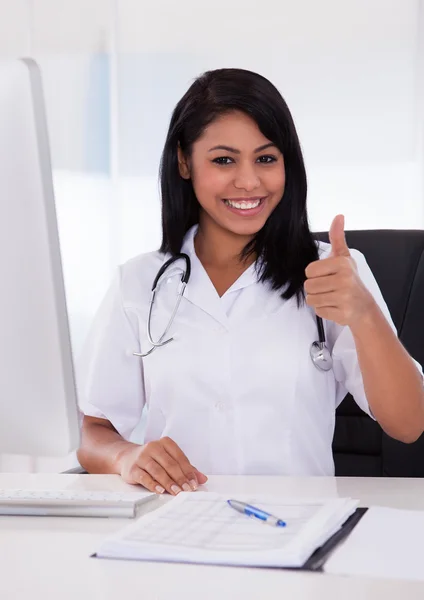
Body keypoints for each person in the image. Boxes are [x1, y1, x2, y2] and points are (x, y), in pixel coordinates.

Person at [77, 68, 424, 495]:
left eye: (266, 158)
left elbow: (409, 424)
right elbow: (95, 431)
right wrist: (124, 456)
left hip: (297, 528)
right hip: (175, 530)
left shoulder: (334, 273)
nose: (248, 181)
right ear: (185, 162)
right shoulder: (139, 283)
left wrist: (365, 314)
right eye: (223, 160)